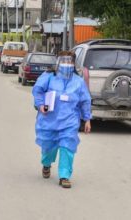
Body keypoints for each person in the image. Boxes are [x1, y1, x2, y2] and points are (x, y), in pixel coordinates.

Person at [32, 51, 91, 189]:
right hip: (49, 120)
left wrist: (87, 118)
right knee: (48, 147)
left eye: (69, 61)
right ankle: (46, 164)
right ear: (58, 61)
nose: (66, 64)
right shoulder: (49, 77)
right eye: (63, 61)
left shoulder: (78, 81)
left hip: (69, 121)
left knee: (67, 146)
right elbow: (38, 90)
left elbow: (85, 100)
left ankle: (64, 176)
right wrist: (41, 105)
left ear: (73, 63)